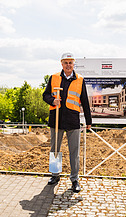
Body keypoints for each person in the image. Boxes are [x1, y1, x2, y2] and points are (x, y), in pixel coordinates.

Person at [43, 52, 92, 193]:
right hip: (56, 119)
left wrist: (88, 120)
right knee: (55, 150)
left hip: (72, 120)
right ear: (62, 64)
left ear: (73, 64)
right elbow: (45, 95)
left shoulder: (80, 80)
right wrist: (52, 100)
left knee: (74, 152)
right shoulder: (53, 78)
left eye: (71, 62)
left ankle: (74, 179)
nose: (68, 65)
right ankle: (55, 175)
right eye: (66, 62)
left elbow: (84, 100)